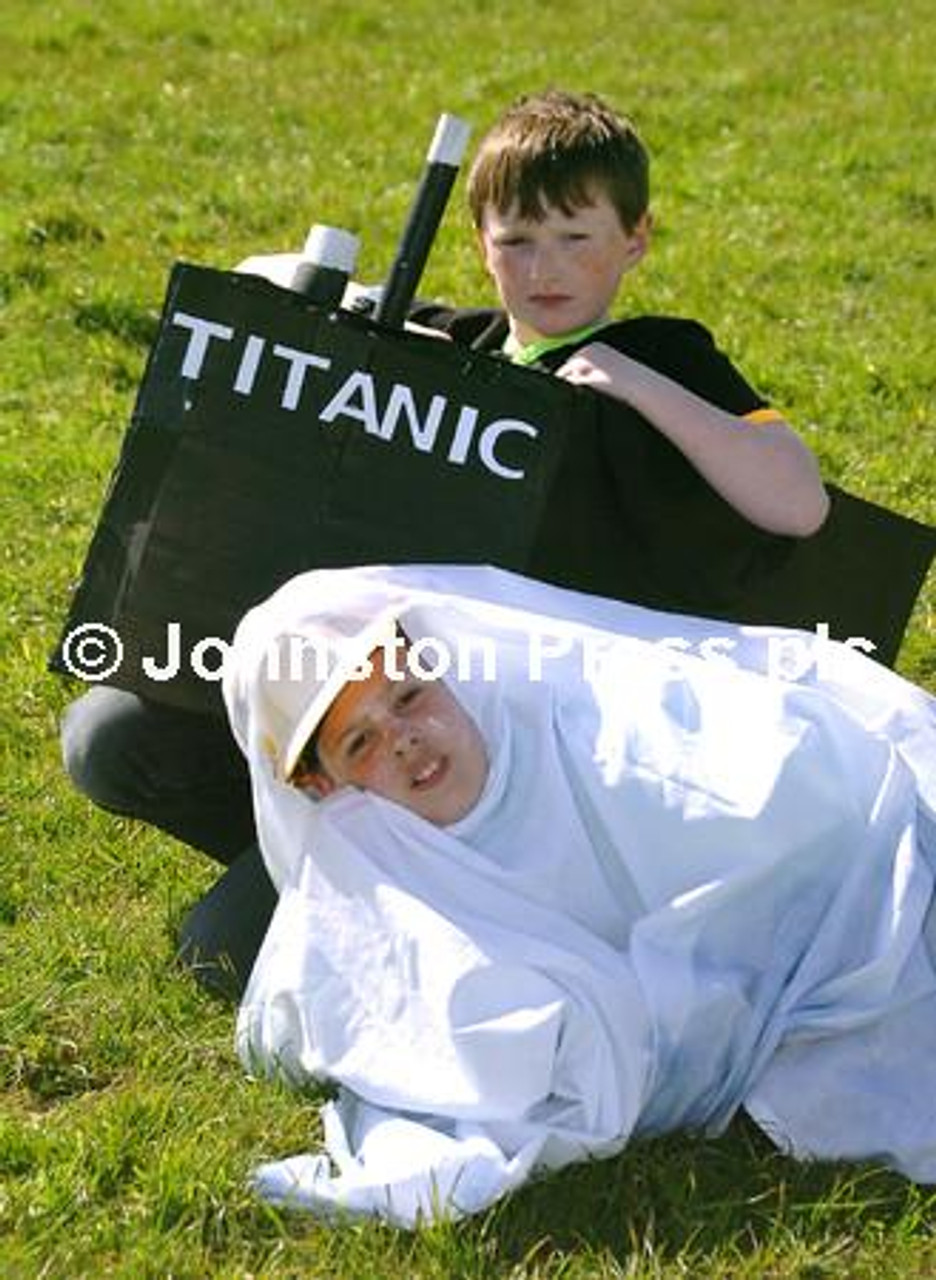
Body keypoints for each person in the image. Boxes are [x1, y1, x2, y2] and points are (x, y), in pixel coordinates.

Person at [61, 90, 832, 997]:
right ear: (479, 244)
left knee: (219, 954)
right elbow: (273, 285)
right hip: (371, 738)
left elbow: (798, 503)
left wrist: (631, 383)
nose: (545, 269)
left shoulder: (662, 353)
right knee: (106, 736)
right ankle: (373, 879)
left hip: (510, 779)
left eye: (577, 238)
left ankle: (453, 910)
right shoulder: (451, 346)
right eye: (516, 241)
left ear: (636, 240)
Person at [227, 562, 936, 1226]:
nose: (408, 739)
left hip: (801, 850)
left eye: (410, 697)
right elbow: (333, 1006)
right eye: (363, 743)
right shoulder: (369, 857)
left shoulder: (572, 724)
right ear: (324, 786)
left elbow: (799, 811)